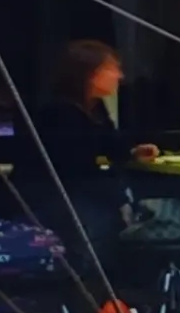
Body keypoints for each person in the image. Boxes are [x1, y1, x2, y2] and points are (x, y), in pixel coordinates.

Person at [24, 38, 146, 266]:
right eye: (112, 69)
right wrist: (118, 198)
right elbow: (77, 169)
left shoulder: (95, 108)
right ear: (89, 74)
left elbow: (111, 146)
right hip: (58, 201)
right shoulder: (60, 115)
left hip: (86, 198)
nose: (119, 76)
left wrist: (133, 150)